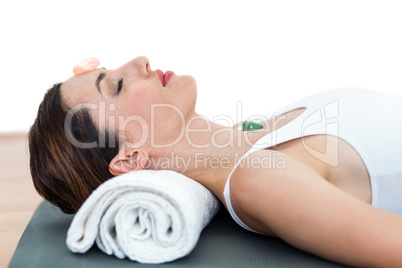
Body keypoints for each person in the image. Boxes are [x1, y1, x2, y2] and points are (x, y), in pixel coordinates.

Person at [29, 56, 402, 267]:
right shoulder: (259, 178)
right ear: (131, 159)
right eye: (117, 86)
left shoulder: (249, 134)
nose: (139, 61)